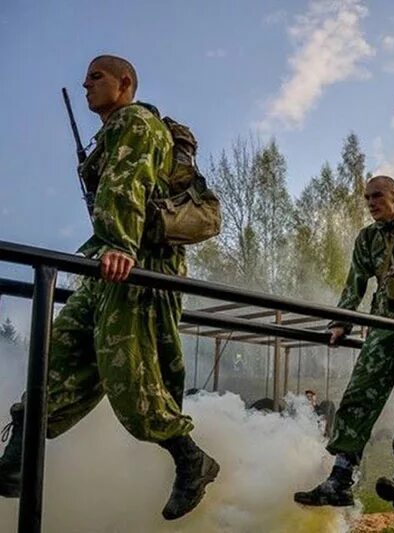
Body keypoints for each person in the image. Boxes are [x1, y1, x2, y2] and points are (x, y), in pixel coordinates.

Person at [0, 55, 218, 520]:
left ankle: (191, 460)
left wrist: (121, 244)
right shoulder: (111, 132)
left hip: (136, 266)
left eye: (96, 77)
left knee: (130, 381)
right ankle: (14, 464)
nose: (86, 85)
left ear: (125, 83)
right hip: (109, 265)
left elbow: (128, 184)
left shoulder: (136, 122)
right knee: (53, 358)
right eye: (85, 80)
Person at [294, 175, 394, 512]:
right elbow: (355, 282)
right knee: (358, 394)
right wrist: (342, 322)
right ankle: (340, 478)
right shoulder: (367, 238)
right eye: (367, 198)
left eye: (378, 196)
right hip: (382, 325)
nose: (372, 203)